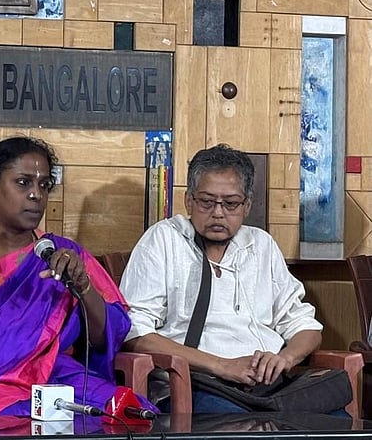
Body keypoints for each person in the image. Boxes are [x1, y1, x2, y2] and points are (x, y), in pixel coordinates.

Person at [0, 136, 155, 417]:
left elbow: (105, 339)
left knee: (126, 413)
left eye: (44, 185)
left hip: (57, 379)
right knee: (22, 423)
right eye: (23, 182)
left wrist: (84, 287)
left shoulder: (61, 253)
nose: (36, 195)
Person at [119, 144, 327, 413]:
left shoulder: (261, 245)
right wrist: (223, 366)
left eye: (230, 203)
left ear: (247, 205)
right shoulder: (164, 240)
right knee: (238, 422)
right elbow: (134, 332)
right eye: (207, 201)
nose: (218, 213)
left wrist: (284, 359)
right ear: (189, 200)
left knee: (333, 416)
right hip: (197, 384)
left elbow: (306, 326)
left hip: (268, 386)